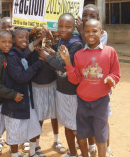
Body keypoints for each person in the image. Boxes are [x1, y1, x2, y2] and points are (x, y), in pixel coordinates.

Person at [59, 19, 121, 157]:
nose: (91, 34)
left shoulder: (110, 52)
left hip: (101, 101)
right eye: (87, 31)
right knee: (82, 132)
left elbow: (116, 73)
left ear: (101, 32)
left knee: (101, 134)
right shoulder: (79, 54)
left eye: (94, 31)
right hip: (82, 101)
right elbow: (75, 79)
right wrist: (68, 62)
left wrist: (112, 79)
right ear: (82, 33)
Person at [39, 13, 83, 157]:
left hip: (71, 92)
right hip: (62, 89)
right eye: (61, 26)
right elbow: (58, 57)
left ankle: (82, 152)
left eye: (68, 27)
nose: (63, 30)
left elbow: (63, 66)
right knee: (67, 124)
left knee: (74, 127)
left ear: (74, 27)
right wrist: (51, 51)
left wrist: (46, 56)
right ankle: (72, 152)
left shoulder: (76, 44)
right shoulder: (63, 41)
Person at [2, 28, 44, 157]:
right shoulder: (12, 56)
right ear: (14, 40)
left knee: (34, 128)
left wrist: (39, 39)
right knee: (15, 130)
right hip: (16, 100)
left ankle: (32, 152)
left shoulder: (20, 53)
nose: (24, 40)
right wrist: (39, 63)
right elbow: (21, 77)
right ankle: (14, 154)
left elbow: (28, 49)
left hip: (26, 99)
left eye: (26, 37)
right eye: (20, 38)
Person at [76, 4, 112, 156]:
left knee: (101, 122)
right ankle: (91, 147)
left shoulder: (100, 34)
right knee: (88, 122)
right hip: (84, 89)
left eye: (92, 16)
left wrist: (80, 33)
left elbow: (90, 43)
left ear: (98, 19)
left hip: (100, 90)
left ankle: (107, 149)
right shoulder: (78, 31)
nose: (87, 18)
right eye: (85, 15)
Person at [27, 28, 67, 156]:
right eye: (40, 36)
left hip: (53, 86)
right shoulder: (32, 52)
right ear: (34, 39)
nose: (44, 39)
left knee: (54, 115)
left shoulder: (53, 50)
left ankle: (56, 140)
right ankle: (37, 145)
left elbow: (61, 64)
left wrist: (51, 50)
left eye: (47, 37)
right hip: (37, 88)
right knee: (39, 117)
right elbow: (26, 53)